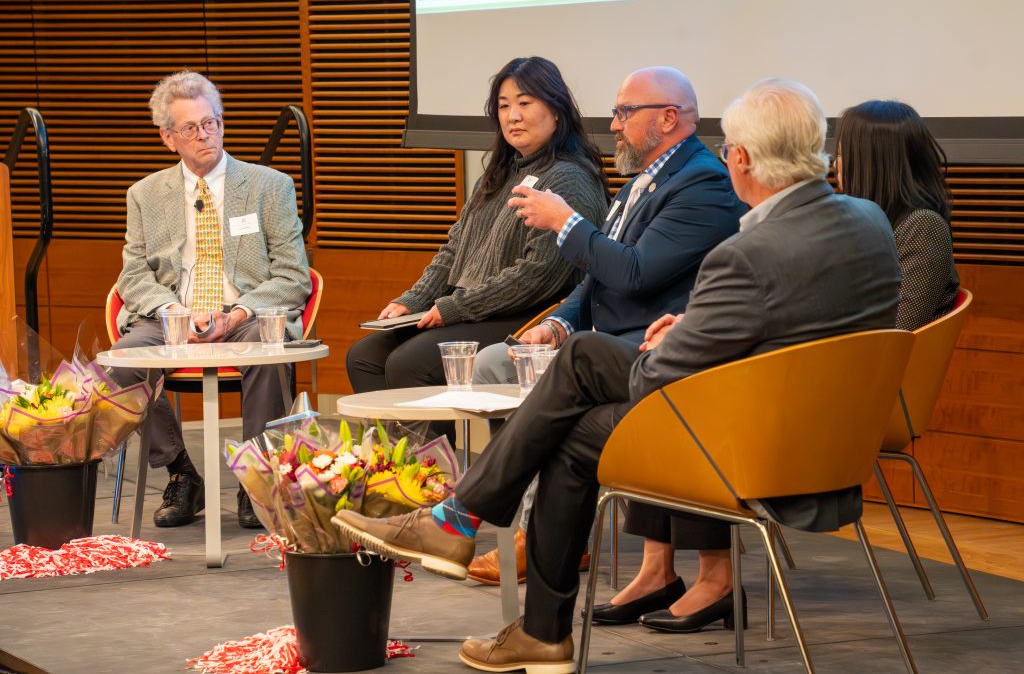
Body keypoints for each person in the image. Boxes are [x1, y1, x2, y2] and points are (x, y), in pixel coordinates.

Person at [333, 78, 901, 672]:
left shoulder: (748, 253)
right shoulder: (867, 221)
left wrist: (674, 337)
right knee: (576, 405)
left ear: (741, 158)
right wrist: (689, 322)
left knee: (577, 379)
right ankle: (499, 578)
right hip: (831, 437)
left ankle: (474, 541)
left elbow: (660, 380)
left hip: (749, 442)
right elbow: (797, 317)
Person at [601, 99, 962, 631]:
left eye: (839, 150)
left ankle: (707, 577)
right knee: (689, 379)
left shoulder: (909, 230)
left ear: (872, 157)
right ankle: (662, 568)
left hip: (860, 395)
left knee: (683, 391)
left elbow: (884, 334)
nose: (831, 162)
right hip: (810, 375)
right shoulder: (856, 222)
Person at [467, 66, 744, 585]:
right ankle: (515, 521)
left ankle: (527, 530)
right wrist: (560, 325)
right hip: (600, 341)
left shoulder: (703, 182)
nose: (614, 126)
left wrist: (565, 222)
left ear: (667, 118)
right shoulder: (644, 179)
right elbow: (597, 278)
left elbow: (635, 274)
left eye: (624, 112)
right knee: (493, 363)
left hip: (651, 346)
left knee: (555, 387)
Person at [111, 70, 311, 529]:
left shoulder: (269, 185)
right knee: (121, 363)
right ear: (167, 137)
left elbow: (293, 275)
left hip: (246, 310)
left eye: (212, 123)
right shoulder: (144, 194)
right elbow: (133, 274)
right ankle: (181, 472)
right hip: (171, 314)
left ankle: (254, 479)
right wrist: (172, 311)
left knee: (268, 347)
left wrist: (238, 311)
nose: (205, 135)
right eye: (191, 128)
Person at [345, 56, 608, 397]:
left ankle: (436, 453)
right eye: (503, 106)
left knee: (406, 363)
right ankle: (404, 451)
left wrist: (455, 307)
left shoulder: (569, 177)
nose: (512, 116)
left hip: (528, 313)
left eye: (525, 103)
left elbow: (539, 275)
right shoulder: (498, 173)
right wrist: (414, 300)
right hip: (475, 307)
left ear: (556, 110)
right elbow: (453, 249)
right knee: (363, 356)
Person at [834, 99, 959, 330]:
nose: (835, 166)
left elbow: (898, 330)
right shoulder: (864, 221)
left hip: (882, 361)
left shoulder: (922, 226)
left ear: (871, 163)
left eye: (841, 155)